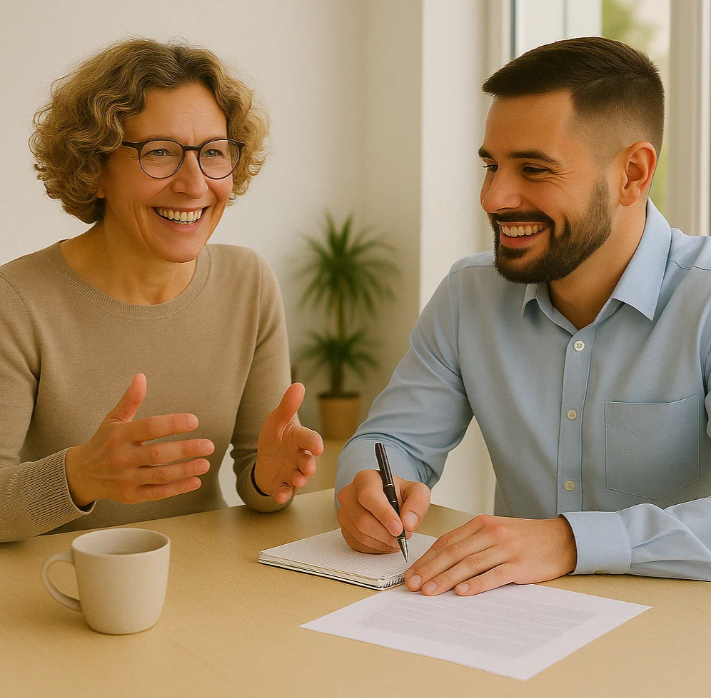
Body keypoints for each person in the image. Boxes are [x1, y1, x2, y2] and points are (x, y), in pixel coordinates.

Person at [335, 36, 711, 596]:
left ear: (633, 173)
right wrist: (367, 486)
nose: (494, 198)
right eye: (491, 166)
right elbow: (396, 444)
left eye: (534, 169)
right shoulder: (469, 295)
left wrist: (568, 540)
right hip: (511, 633)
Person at [0, 39, 323, 543]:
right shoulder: (16, 302)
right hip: (58, 591)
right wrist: (78, 476)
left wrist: (271, 476)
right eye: (160, 153)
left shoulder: (249, 282)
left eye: (213, 153)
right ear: (95, 167)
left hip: (205, 584)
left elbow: (258, 481)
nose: (195, 185)